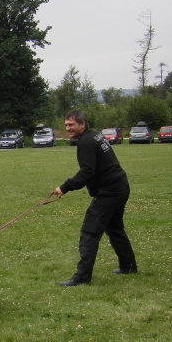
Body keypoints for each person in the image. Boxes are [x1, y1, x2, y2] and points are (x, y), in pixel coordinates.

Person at [52, 110, 138, 286]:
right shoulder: (94, 135)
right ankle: (128, 266)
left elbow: (87, 172)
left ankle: (82, 277)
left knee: (89, 233)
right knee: (114, 228)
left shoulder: (86, 142)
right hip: (120, 186)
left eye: (71, 125)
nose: (68, 128)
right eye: (66, 124)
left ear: (82, 124)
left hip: (110, 192)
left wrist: (64, 187)